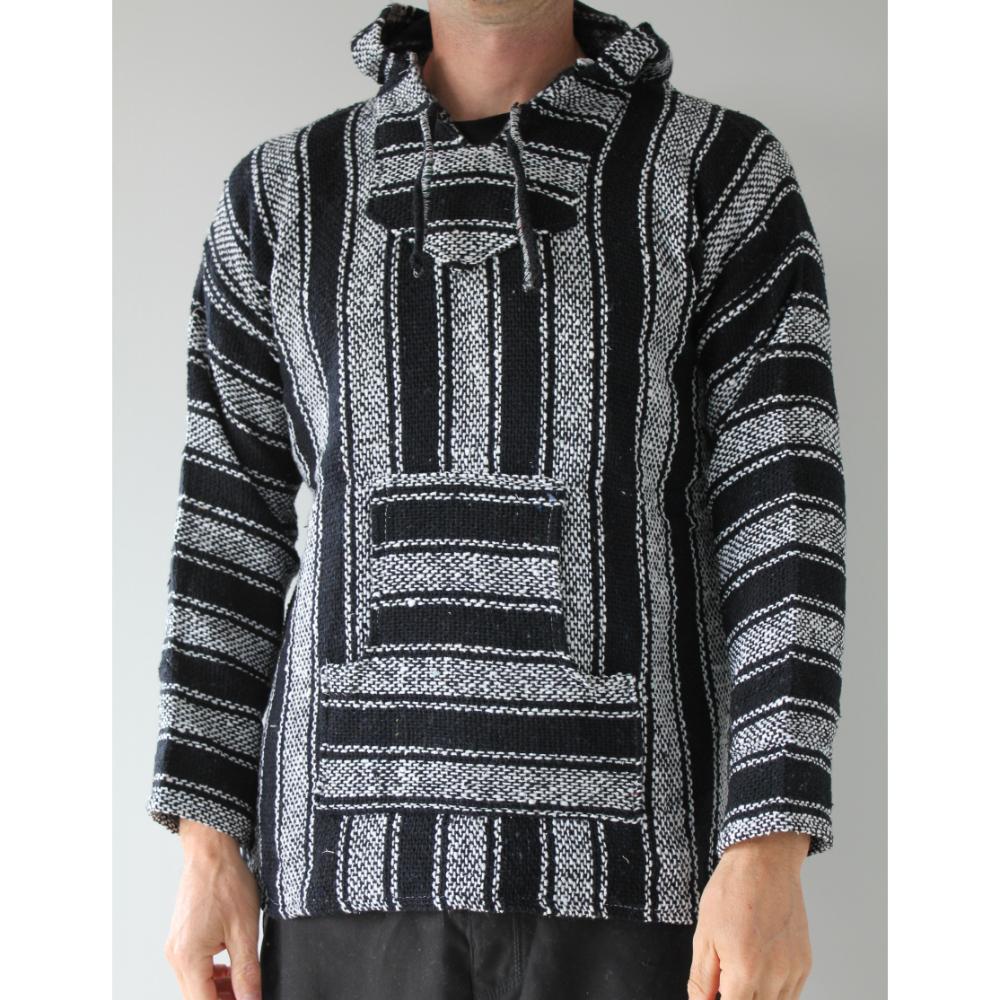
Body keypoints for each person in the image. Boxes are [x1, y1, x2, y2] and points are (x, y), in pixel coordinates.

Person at [148, 2, 846, 998]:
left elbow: (785, 517)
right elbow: (227, 535)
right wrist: (207, 844)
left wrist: (769, 841)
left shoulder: (716, 171)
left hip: (637, 882)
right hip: (342, 873)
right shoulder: (280, 194)